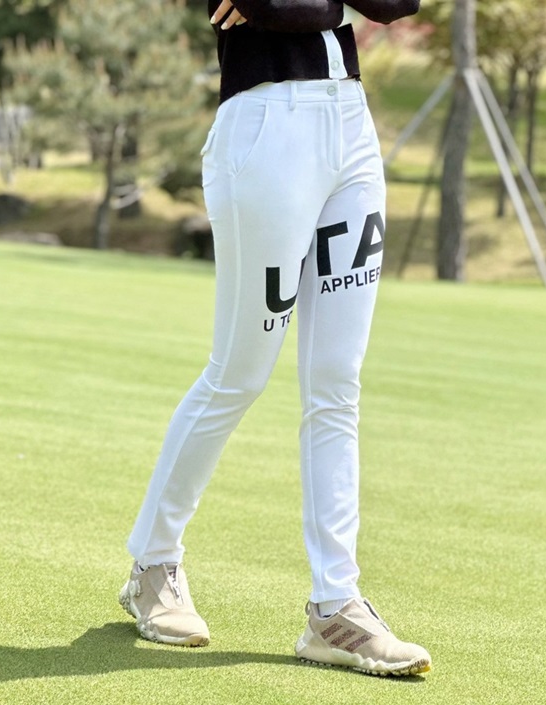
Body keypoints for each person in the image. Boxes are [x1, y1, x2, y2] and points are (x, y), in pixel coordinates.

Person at [119, 0, 431, 677]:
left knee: (337, 382)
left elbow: (398, 4)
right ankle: (154, 563)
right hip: (265, 129)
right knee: (240, 372)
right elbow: (280, 7)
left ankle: (335, 607)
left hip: (351, 126)